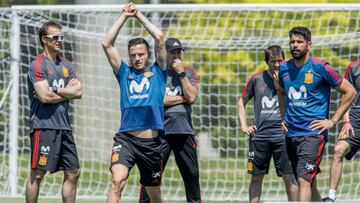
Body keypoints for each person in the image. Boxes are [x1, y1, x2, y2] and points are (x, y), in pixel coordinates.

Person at [278, 26, 356, 201]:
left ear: (309, 45)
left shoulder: (321, 68)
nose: (295, 45)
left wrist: (333, 121)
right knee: (309, 182)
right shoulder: (283, 68)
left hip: (313, 134)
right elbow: (280, 92)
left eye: (299, 42)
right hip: (291, 133)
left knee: (303, 180)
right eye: (292, 42)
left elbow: (350, 91)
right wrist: (282, 116)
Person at [101, 3, 166, 203]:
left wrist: (139, 15)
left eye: (141, 54)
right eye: (133, 55)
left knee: (153, 194)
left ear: (148, 54)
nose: (137, 58)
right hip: (126, 140)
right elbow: (106, 44)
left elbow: (160, 38)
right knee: (117, 181)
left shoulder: (158, 71)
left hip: (151, 145)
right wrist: (124, 16)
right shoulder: (124, 73)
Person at [139, 38, 201, 203]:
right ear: (164, 53)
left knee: (192, 175)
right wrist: (183, 98)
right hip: (160, 131)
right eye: (172, 52)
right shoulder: (155, 72)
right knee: (151, 175)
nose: (176, 55)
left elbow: (192, 97)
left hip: (184, 131)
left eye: (178, 52)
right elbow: (158, 99)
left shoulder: (189, 72)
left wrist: (181, 73)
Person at [26, 21, 82, 203]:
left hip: (64, 127)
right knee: (38, 174)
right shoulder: (38, 65)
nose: (59, 40)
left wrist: (54, 91)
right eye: (55, 37)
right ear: (44, 40)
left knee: (73, 172)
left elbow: (79, 92)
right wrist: (66, 92)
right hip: (43, 127)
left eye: (61, 37)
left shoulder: (66, 64)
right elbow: (45, 98)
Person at [238, 45, 298, 203]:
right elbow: (241, 101)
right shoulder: (256, 78)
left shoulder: (291, 78)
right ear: (266, 61)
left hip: (283, 136)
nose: (277, 64)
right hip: (260, 137)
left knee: (290, 177)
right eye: (273, 61)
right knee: (256, 178)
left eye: (280, 60)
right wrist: (244, 126)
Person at [323, 60, 360, 202]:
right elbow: (347, 95)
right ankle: (331, 197)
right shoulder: (353, 67)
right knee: (338, 149)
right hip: (355, 121)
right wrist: (346, 121)